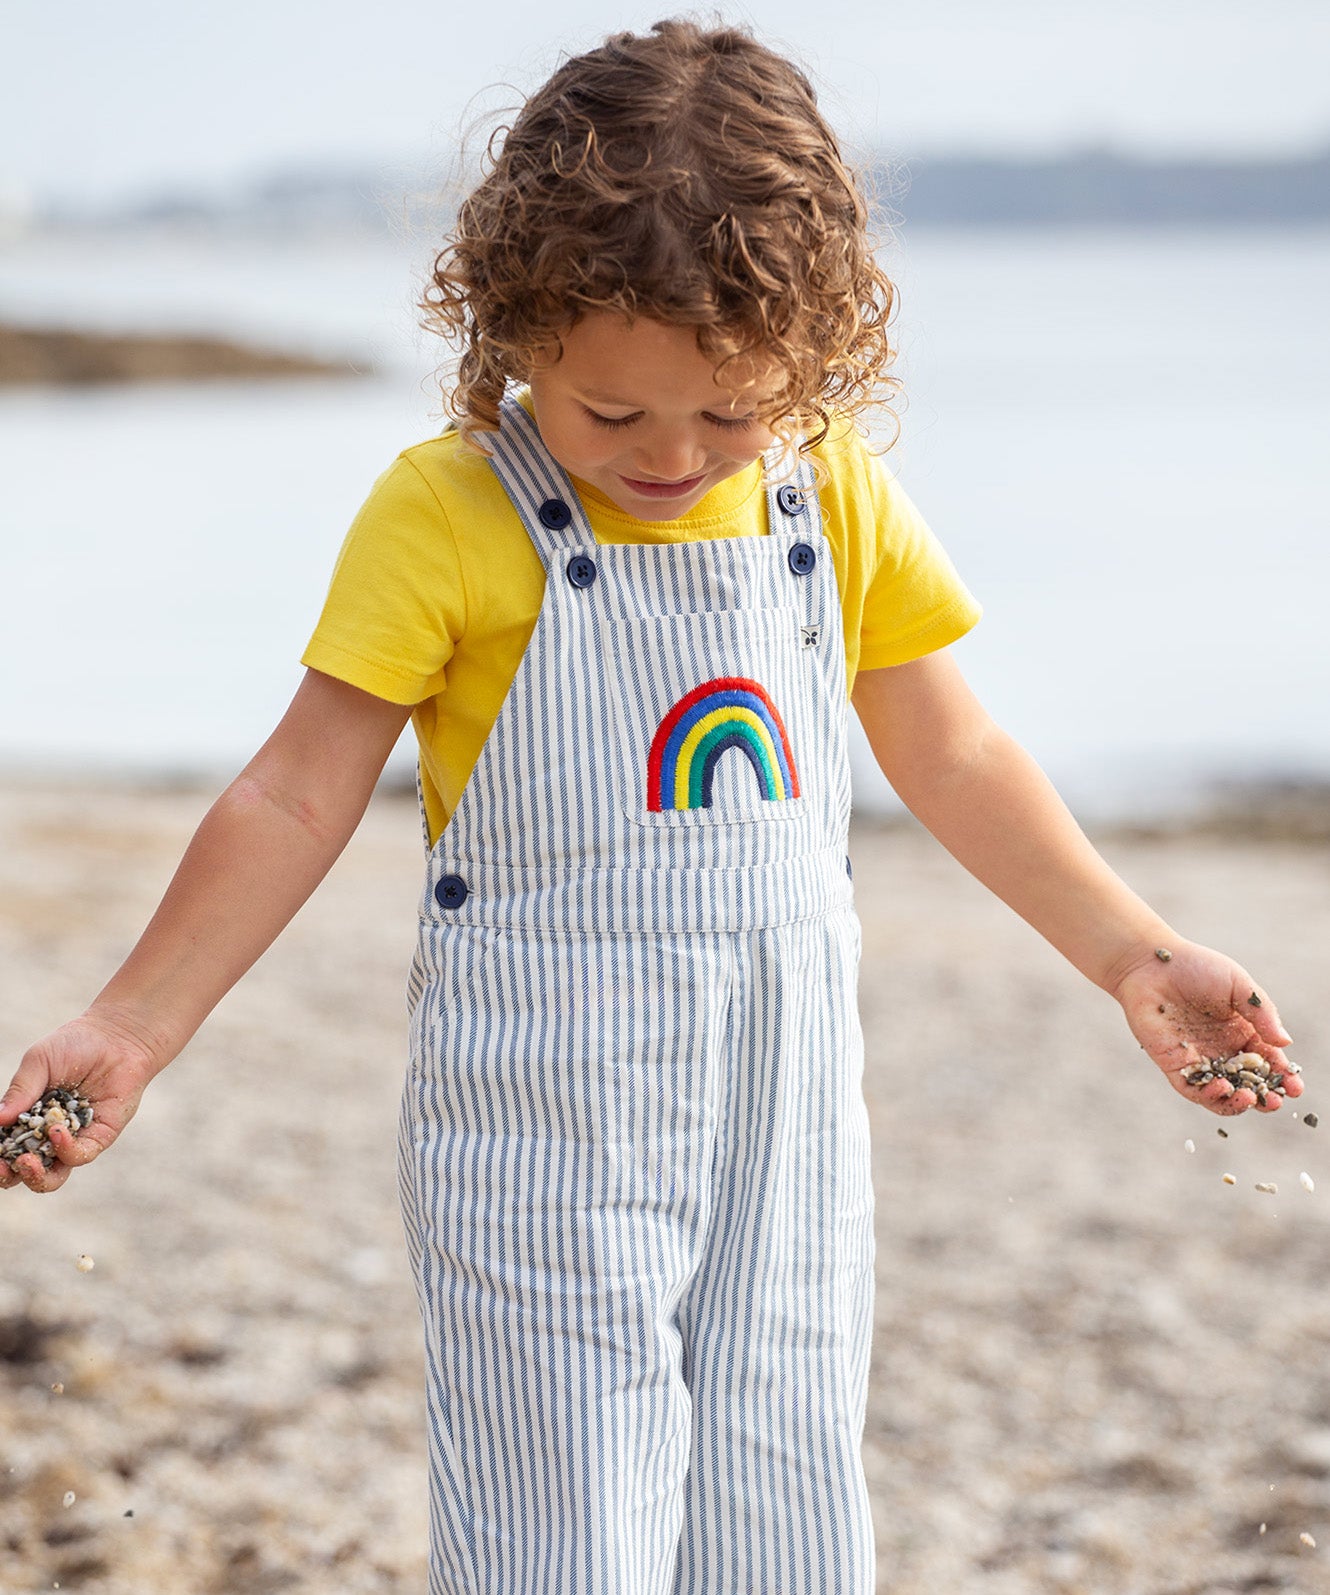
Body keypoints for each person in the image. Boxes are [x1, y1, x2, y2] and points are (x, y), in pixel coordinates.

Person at [0, 18, 1300, 1595]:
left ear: (817, 361)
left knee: (783, 1480)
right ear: (516, 333)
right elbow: (294, 792)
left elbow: (950, 753)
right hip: (545, 1120)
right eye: (611, 418)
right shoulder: (449, 514)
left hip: (788, 1111)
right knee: (565, 1512)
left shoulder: (835, 492)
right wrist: (133, 1028)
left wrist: (1132, 953)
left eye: (732, 414)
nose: (673, 458)